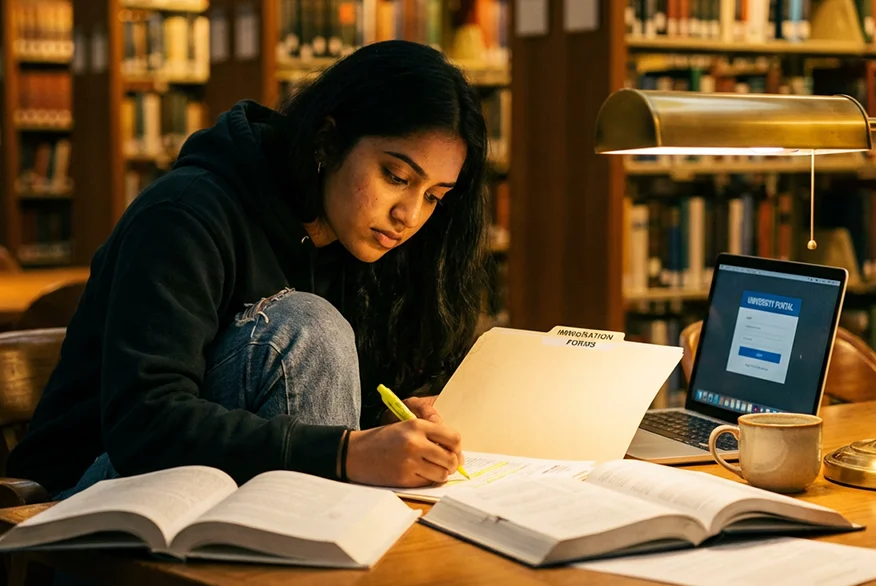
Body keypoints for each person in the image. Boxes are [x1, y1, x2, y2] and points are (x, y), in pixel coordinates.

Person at [7, 40, 490, 499]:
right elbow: (144, 422)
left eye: (433, 197)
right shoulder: (184, 213)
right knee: (306, 326)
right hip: (84, 500)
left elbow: (296, 408)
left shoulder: (357, 244)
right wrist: (347, 450)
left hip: (216, 492)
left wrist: (379, 428)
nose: (408, 215)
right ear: (327, 142)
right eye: (395, 177)